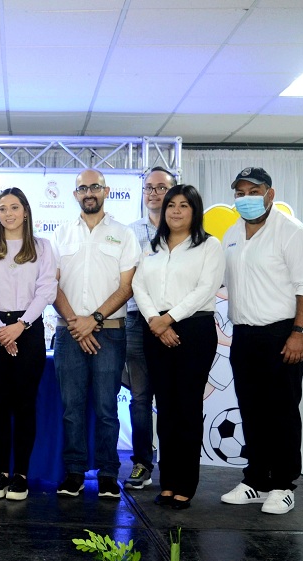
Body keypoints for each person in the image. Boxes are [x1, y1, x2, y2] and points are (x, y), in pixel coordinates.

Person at [219, 167, 303, 515]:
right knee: (251, 407)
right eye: (240, 192)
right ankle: (256, 480)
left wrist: (300, 333)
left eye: (253, 191)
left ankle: (283, 485)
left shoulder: (292, 232)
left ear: (270, 194)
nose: (245, 198)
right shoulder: (232, 234)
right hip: (245, 333)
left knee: (282, 408)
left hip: (285, 331)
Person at [132, 185, 225, 509]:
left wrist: (169, 318)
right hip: (154, 328)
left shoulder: (209, 246)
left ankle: (186, 483)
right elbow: (138, 285)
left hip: (193, 330)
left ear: (194, 210)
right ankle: (167, 482)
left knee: (187, 408)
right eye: (172, 205)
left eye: (184, 205)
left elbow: (205, 288)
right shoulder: (152, 247)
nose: (175, 210)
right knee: (166, 409)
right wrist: (156, 320)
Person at [53, 169, 140, 499]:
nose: (89, 192)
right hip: (69, 332)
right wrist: (77, 321)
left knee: (106, 409)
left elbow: (127, 286)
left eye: (95, 187)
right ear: (75, 195)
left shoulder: (123, 234)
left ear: (106, 192)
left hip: (110, 332)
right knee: (71, 408)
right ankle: (74, 472)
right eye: (82, 188)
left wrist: (96, 319)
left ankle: (107, 473)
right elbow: (52, 284)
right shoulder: (60, 234)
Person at [0, 187, 57, 501]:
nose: (8, 214)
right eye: (2, 209)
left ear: (26, 211)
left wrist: (20, 326)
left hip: (29, 329)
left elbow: (46, 290)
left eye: (14, 207)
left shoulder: (43, 246)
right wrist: (1, 330)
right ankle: (0, 473)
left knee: (25, 405)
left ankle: (21, 475)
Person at [122, 166, 176, 490]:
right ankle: (142, 463)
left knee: (171, 397)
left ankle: (172, 466)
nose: (154, 193)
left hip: (173, 322)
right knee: (141, 398)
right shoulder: (130, 232)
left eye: (161, 188)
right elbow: (130, 283)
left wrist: (165, 318)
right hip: (137, 321)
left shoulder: (185, 231)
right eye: (149, 188)